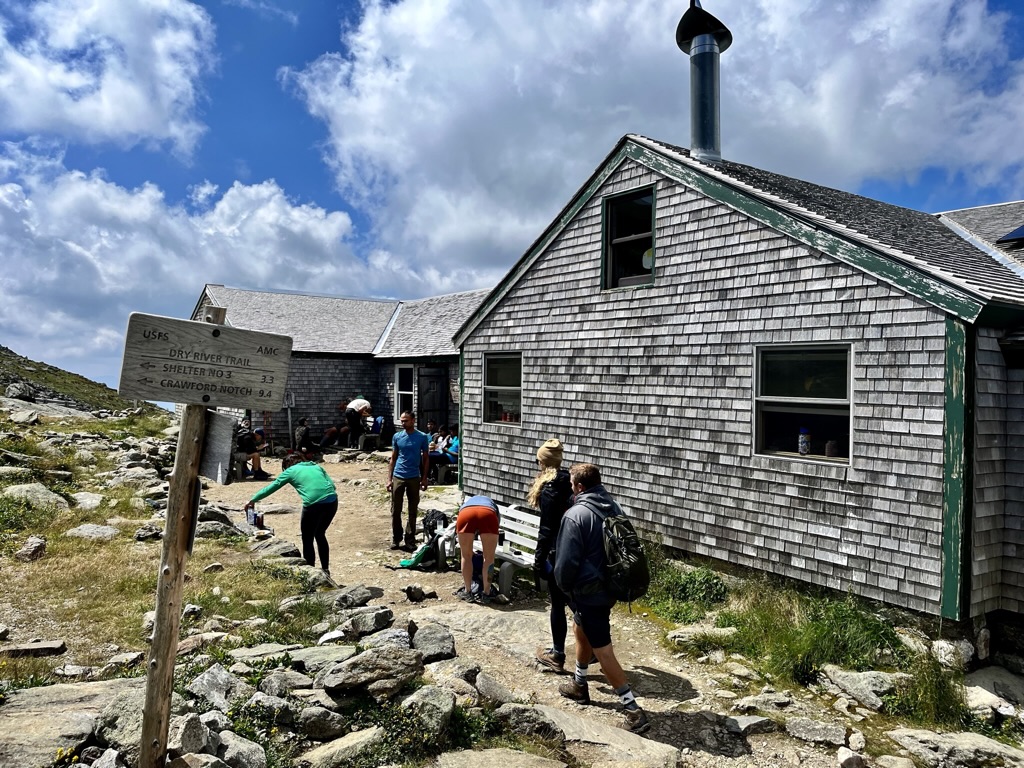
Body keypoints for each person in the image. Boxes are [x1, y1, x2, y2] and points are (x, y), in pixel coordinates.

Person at [553, 463, 650, 735]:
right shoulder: (613, 506)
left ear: (579, 487)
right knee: (579, 627)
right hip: (609, 587)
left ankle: (633, 710)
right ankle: (579, 684)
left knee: (603, 648)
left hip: (588, 591)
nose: (571, 488)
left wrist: (564, 587)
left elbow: (566, 563)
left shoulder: (575, 515)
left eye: (572, 484)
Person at [245, 453, 339, 576]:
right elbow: (333, 486)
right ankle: (325, 569)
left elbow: (273, 486)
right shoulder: (316, 466)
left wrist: (253, 499)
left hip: (313, 504)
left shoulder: (290, 471)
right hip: (332, 501)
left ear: (286, 465)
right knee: (320, 534)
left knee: (307, 538)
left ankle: (311, 573)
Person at [529, 439, 574, 673]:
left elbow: (546, 529)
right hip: (578, 549)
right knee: (577, 604)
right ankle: (595, 648)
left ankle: (557, 654)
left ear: (543, 463)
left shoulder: (549, 489)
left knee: (558, 603)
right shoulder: (572, 482)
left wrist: (538, 559)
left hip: (558, 552)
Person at [386, 410, 430, 551]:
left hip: (413, 476)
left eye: (406, 420)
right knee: (396, 509)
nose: (403, 423)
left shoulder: (422, 437)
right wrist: (389, 479)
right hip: (398, 475)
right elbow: (393, 458)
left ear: (413, 420)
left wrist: (424, 478)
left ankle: (410, 538)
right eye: (402, 420)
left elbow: (426, 458)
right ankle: (396, 537)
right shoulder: (397, 436)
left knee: (412, 509)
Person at [454, 495, 500, 604]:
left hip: (466, 514)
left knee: (466, 555)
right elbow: (497, 523)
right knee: (489, 558)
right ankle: (486, 593)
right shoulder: (493, 506)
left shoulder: (466, 504)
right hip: (488, 513)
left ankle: (468, 591)